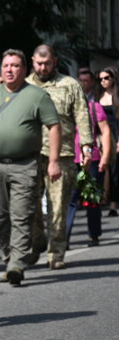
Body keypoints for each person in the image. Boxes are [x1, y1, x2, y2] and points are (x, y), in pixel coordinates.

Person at [0, 48, 61, 286]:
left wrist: (53, 160)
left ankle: (16, 265)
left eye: (14, 66)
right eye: (6, 66)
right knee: (0, 218)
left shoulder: (36, 96)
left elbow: (54, 126)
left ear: (24, 69)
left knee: (21, 216)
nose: (9, 70)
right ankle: (9, 257)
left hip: (25, 164)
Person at [27, 44, 92, 270]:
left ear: (54, 61)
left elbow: (82, 116)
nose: (42, 68)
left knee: (58, 207)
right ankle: (38, 240)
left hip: (62, 155)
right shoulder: (25, 86)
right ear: (33, 62)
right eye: (38, 63)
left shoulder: (69, 85)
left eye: (47, 63)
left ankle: (55, 253)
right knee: (29, 206)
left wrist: (86, 147)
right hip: (31, 155)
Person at [67, 84, 112, 246]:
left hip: (92, 159)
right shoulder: (65, 111)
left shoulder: (94, 108)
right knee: (69, 199)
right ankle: (63, 238)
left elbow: (105, 132)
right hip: (69, 160)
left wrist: (105, 156)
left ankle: (93, 235)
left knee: (92, 199)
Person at [97, 66, 119, 216]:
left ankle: (113, 203)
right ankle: (110, 202)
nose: (103, 81)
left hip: (116, 135)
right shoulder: (98, 96)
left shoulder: (117, 96)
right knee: (108, 171)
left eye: (106, 78)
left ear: (113, 78)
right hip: (103, 137)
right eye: (100, 79)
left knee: (116, 170)